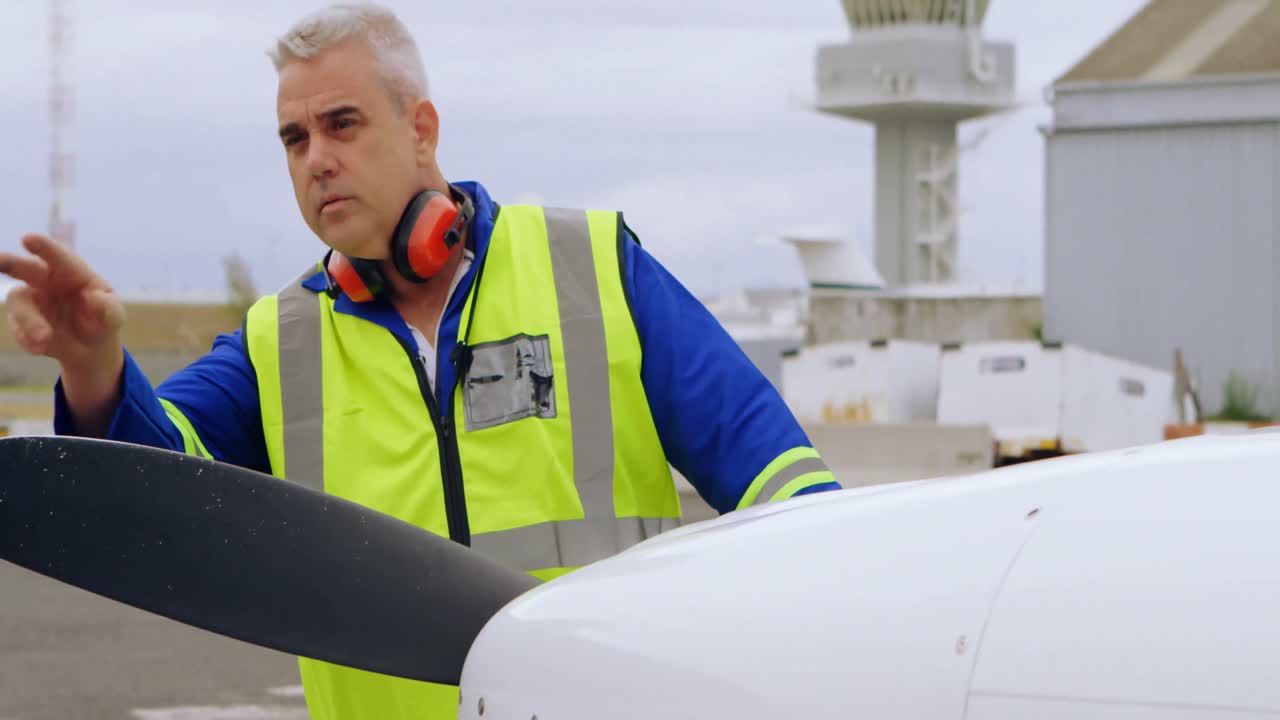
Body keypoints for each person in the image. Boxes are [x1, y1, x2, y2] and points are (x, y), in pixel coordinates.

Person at [0, 3, 841, 718]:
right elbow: (155, 494)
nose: (315, 158)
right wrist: (94, 363)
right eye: (293, 139)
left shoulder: (592, 269)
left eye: (342, 124)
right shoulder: (277, 340)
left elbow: (782, 483)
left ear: (422, 129)